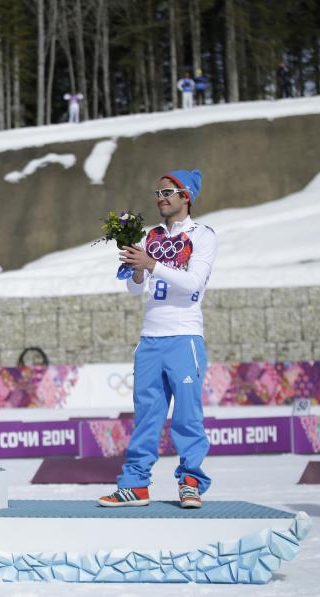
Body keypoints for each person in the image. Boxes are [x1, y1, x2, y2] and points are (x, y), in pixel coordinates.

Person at [98, 169, 217, 509]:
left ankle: (191, 482)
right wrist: (137, 268)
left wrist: (150, 263)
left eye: (168, 192)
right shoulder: (151, 235)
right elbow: (136, 290)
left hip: (184, 337)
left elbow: (194, 283)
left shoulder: (203, 235)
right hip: (150, 338)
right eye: (158, 192)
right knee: (147, 416)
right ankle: (135, 485)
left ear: (186, 196)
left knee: (187, 417)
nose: (160, 197)